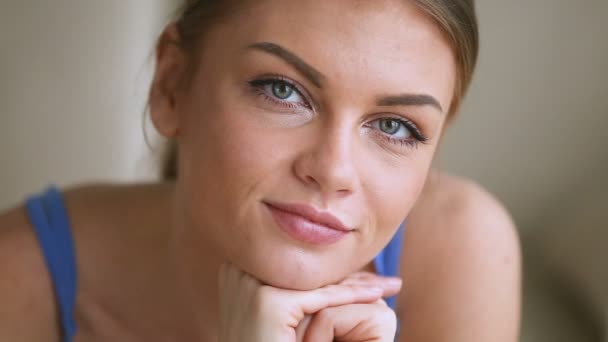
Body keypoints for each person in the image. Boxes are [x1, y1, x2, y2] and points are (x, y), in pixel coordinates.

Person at [0, 0, 521, 341]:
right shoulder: (20, 277)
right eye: (282, 90)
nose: (333, 170)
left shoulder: (462, 249)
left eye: (396, 126)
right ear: (172, 84)